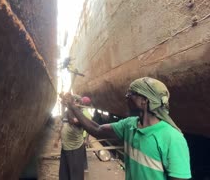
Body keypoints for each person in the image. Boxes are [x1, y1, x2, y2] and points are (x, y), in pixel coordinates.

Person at [61, 77, 192, 180]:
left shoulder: (172, 138)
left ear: (144, 101)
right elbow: (97, 129)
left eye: (130, 94)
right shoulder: (129, 125)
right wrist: (72, 106)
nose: (126, 97)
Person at [55, 95, 87, 180]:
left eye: (67, 100)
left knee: (76, 174)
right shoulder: (66, 113)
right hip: (65, 147)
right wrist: (57, 140)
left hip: (75, 148)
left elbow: (84, 125)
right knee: (64, 174)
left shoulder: (79, 113)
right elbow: (61, 126)